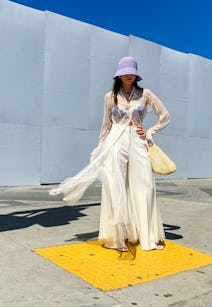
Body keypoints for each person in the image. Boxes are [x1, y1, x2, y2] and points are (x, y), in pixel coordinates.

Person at [49, 57, 171, 252]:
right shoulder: (109, 96)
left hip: (137, 140)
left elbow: (165, 115)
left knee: (145, 185)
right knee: (115, 187)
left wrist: (149, 132)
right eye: (125, 71)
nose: (129, 75)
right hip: (115, 141)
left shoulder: (145, 94)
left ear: (136, 74)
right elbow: (106, 124)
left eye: (132, 71)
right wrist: (100, 147)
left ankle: (147, 237)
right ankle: (116, 238)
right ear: (119, 74)